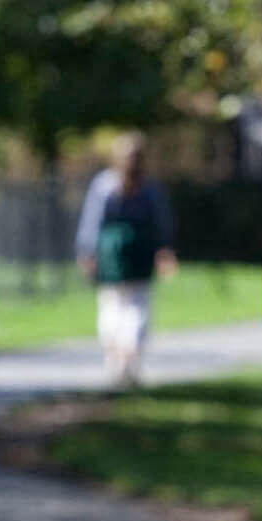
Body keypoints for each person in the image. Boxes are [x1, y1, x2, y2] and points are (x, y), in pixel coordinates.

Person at [74, 131, 178, 386]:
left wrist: (87, 251)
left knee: (112, 303)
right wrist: (164, 248)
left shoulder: (105, 184)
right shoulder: (148, 188)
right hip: (137, 249)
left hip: (113, 250)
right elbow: (162, 223)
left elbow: (92, 222)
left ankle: (117, 355)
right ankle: (129, 353)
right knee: (137, 305)